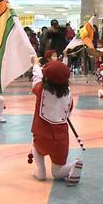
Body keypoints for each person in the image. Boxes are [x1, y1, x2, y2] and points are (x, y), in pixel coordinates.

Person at [29, 56, 83, 185]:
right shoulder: (68, 94)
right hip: (61, 138)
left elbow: (36, 78)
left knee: (36, 148)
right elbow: (68, 113)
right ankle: (73, 166)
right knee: (57, 173)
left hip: (42, 134)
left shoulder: (41, 91)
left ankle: (41, 171)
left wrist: (35, 64)